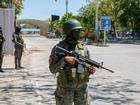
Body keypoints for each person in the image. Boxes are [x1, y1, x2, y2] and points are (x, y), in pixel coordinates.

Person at [49, 19, 96, 105]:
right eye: (77, 31)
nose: (80, 33)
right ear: (69, 32)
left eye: (80, 31)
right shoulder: (58, 48)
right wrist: (64, 60)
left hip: (82, 88)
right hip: (65, 89)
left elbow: (87, 65)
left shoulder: (83, 48)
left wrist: (90, 70)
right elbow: (52, 70)